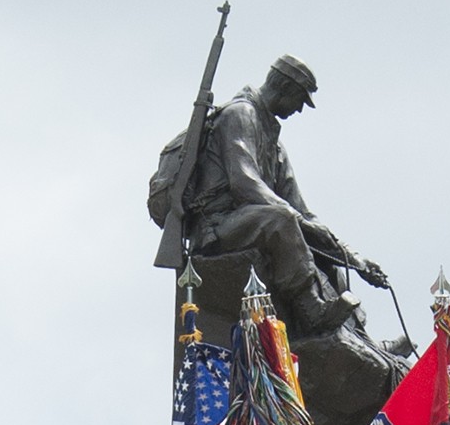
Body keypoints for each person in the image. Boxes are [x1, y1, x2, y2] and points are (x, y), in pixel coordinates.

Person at [154, 54, 386, 335]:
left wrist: (349, 255)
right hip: (217, 229)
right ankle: (312, 308)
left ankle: (358, 336)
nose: (299, 109)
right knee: (282, 219)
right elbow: (246, 185)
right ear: (285, 88)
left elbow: (302, 209)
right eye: (300, 100)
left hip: (248, 222)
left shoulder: (275, 145)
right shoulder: (240, 115)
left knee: (325, 255)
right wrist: (301, 223)